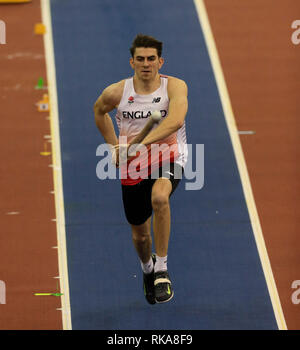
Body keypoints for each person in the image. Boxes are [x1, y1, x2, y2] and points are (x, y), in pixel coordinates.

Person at [94, 34, 188, 304]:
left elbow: (176, 121)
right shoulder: (117, 92)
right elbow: (98, 111)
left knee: (160, 197)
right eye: (140, 59)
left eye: (151, 59)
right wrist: (114, 147)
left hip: (169, 155)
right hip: (132, 165)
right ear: (132, 62)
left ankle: (162, 270)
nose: (146, 64)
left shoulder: (174, 87)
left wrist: (140, 143)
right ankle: (148, 268)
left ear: (160, 61)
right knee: (140, 234)